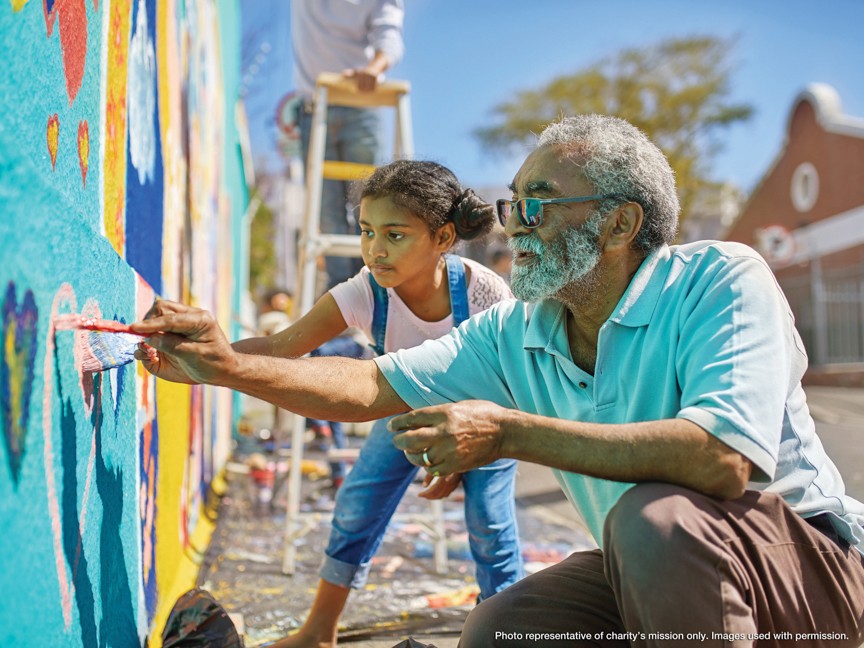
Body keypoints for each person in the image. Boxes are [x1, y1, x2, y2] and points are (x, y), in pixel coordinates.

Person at [134, 115, 864, 647]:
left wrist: (506, 431)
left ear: (618, 226)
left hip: (814, 579)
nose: (515, 225)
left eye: (537, 205)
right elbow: (368, 388)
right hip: (656, 569)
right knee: (504, 625)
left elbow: (718, 458)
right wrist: (227, 367)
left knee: (651, 520)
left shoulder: (718, 278)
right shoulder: (521, 327)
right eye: (514, 204)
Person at [150, 159, 523, 647]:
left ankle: (506, 636)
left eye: (395, 235)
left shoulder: (483, 293)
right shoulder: (365, 292)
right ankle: (319, 631)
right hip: (403, 407)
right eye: (367, 232)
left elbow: (506, 381)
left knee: (491, 529)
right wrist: (203, 362)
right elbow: (283, 348)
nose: (375, 250)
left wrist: (455, 456)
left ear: (443, 238)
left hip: (488, 416)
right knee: (356, 507)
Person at [292, 0, 405, 289]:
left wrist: (374, 68)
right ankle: (341, 295)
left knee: (367, 206)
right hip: (315, 107)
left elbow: (389, 35)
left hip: (361, 106)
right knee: (326, 212)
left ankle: (369, 288)